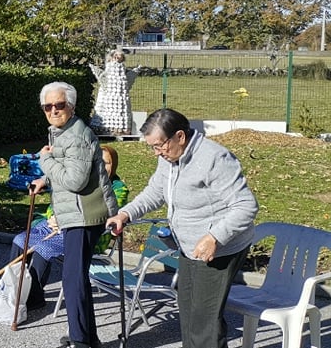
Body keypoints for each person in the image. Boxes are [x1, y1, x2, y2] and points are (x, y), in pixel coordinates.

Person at [105, 108, 258, 348]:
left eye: (159, 145)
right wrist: (125, 213)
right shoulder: (169, 158)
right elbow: (155, 192)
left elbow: (246, 206)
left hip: (220, 249)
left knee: (204, 320)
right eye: (152, 147)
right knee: (188, 311)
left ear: (180, 136)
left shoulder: (214, 159)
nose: (157, 153)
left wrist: (214, 237)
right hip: (189, 246)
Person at [30, 81, 117, 348]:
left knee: (73, 279)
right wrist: (45, 178)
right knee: (75, 278)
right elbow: (68, 166)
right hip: (77, 213)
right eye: (48, 106)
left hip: (84, 214)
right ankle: (86, 337)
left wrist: (44, 161)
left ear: (72, 106)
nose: (53, 110)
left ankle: (81, 341)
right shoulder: (62, 132)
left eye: (60, 105)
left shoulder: (76, 136)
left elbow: (76, 180)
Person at [8, 145, 128, 311]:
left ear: (113, 166)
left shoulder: (117, 188)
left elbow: (106, 215)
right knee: (21, 240)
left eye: (106, 163)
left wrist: (66, 220)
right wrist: (54, 217)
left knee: (43, 248)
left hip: (89, 234)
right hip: (59, 226)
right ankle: (14, 289)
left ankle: (34, 298)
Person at [89, 49, 140, 136]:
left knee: (120, 109)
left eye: (119, 57)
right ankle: (103, 128)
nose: (117, 59)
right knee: (104, 108)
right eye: (115, 56)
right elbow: (103, 78)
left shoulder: (122, 70)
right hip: (107, 96)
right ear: (111, 57)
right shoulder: (109, 68)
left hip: (120, 96)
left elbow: (127, 82)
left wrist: (135, 71)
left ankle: (120, 130)